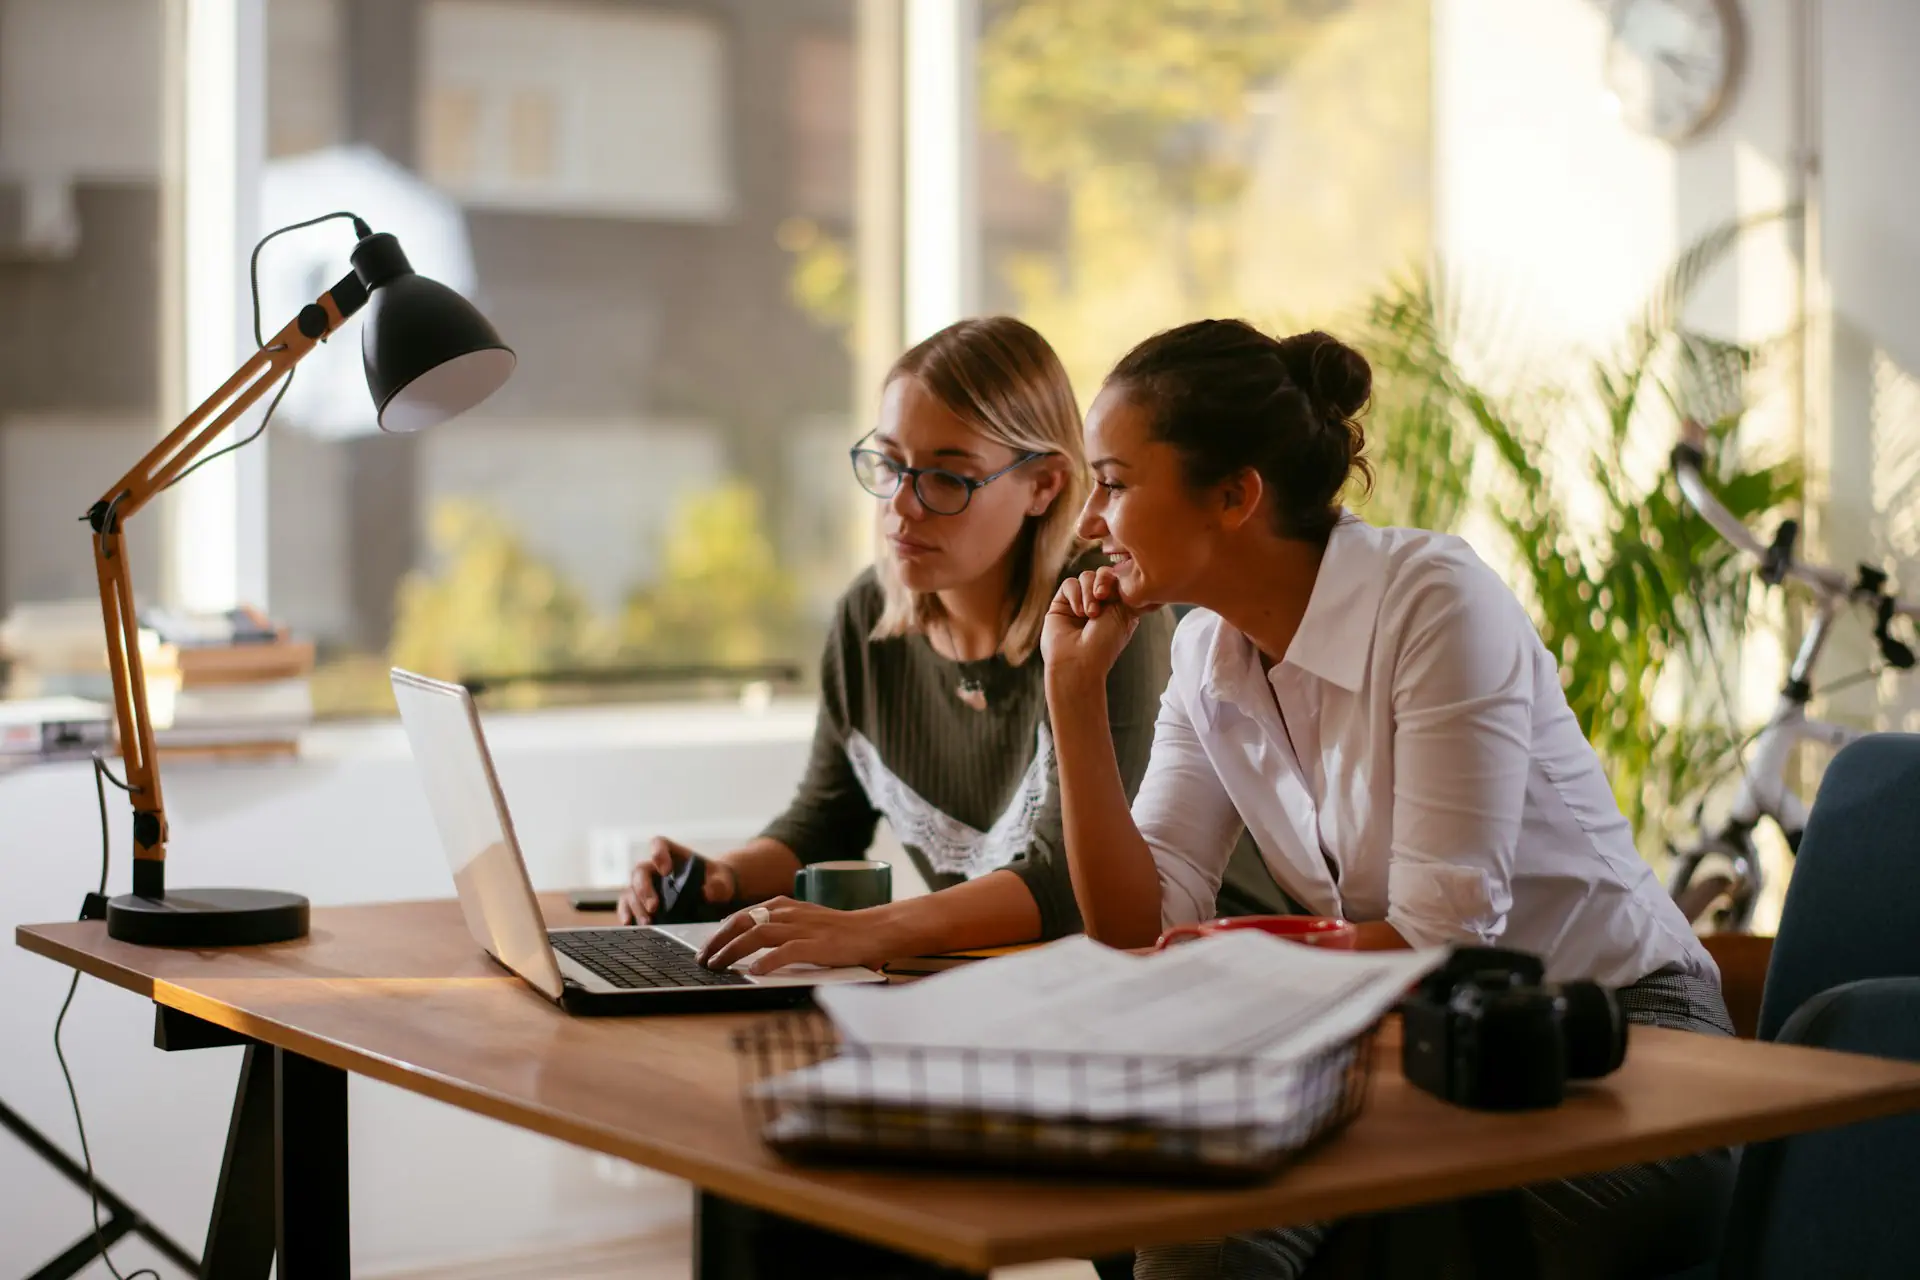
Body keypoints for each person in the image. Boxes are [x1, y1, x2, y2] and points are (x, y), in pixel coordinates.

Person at [1041, 319, 1732, 1279]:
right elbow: (1137, 924)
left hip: (1614, 1034)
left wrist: (1226, 963)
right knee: (1179, 1226)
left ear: (1237, 495)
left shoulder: (1435, 601)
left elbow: (1438, 938)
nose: (1087, 523)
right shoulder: (1205, 654)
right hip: (1403, 1043)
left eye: (1112, 483)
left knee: (1395, 1247)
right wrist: (1071, 699)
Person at [617, 315, 1175, 977]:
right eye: (890, 463)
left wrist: (868, 932)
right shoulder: (869, 615)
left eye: (947, 478)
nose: (901, 508)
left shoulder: (1104, 615)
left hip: (1176, 984)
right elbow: (825, 823)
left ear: (1044, 484)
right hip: (997, 994)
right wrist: (719, 876)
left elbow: (1066, 888)